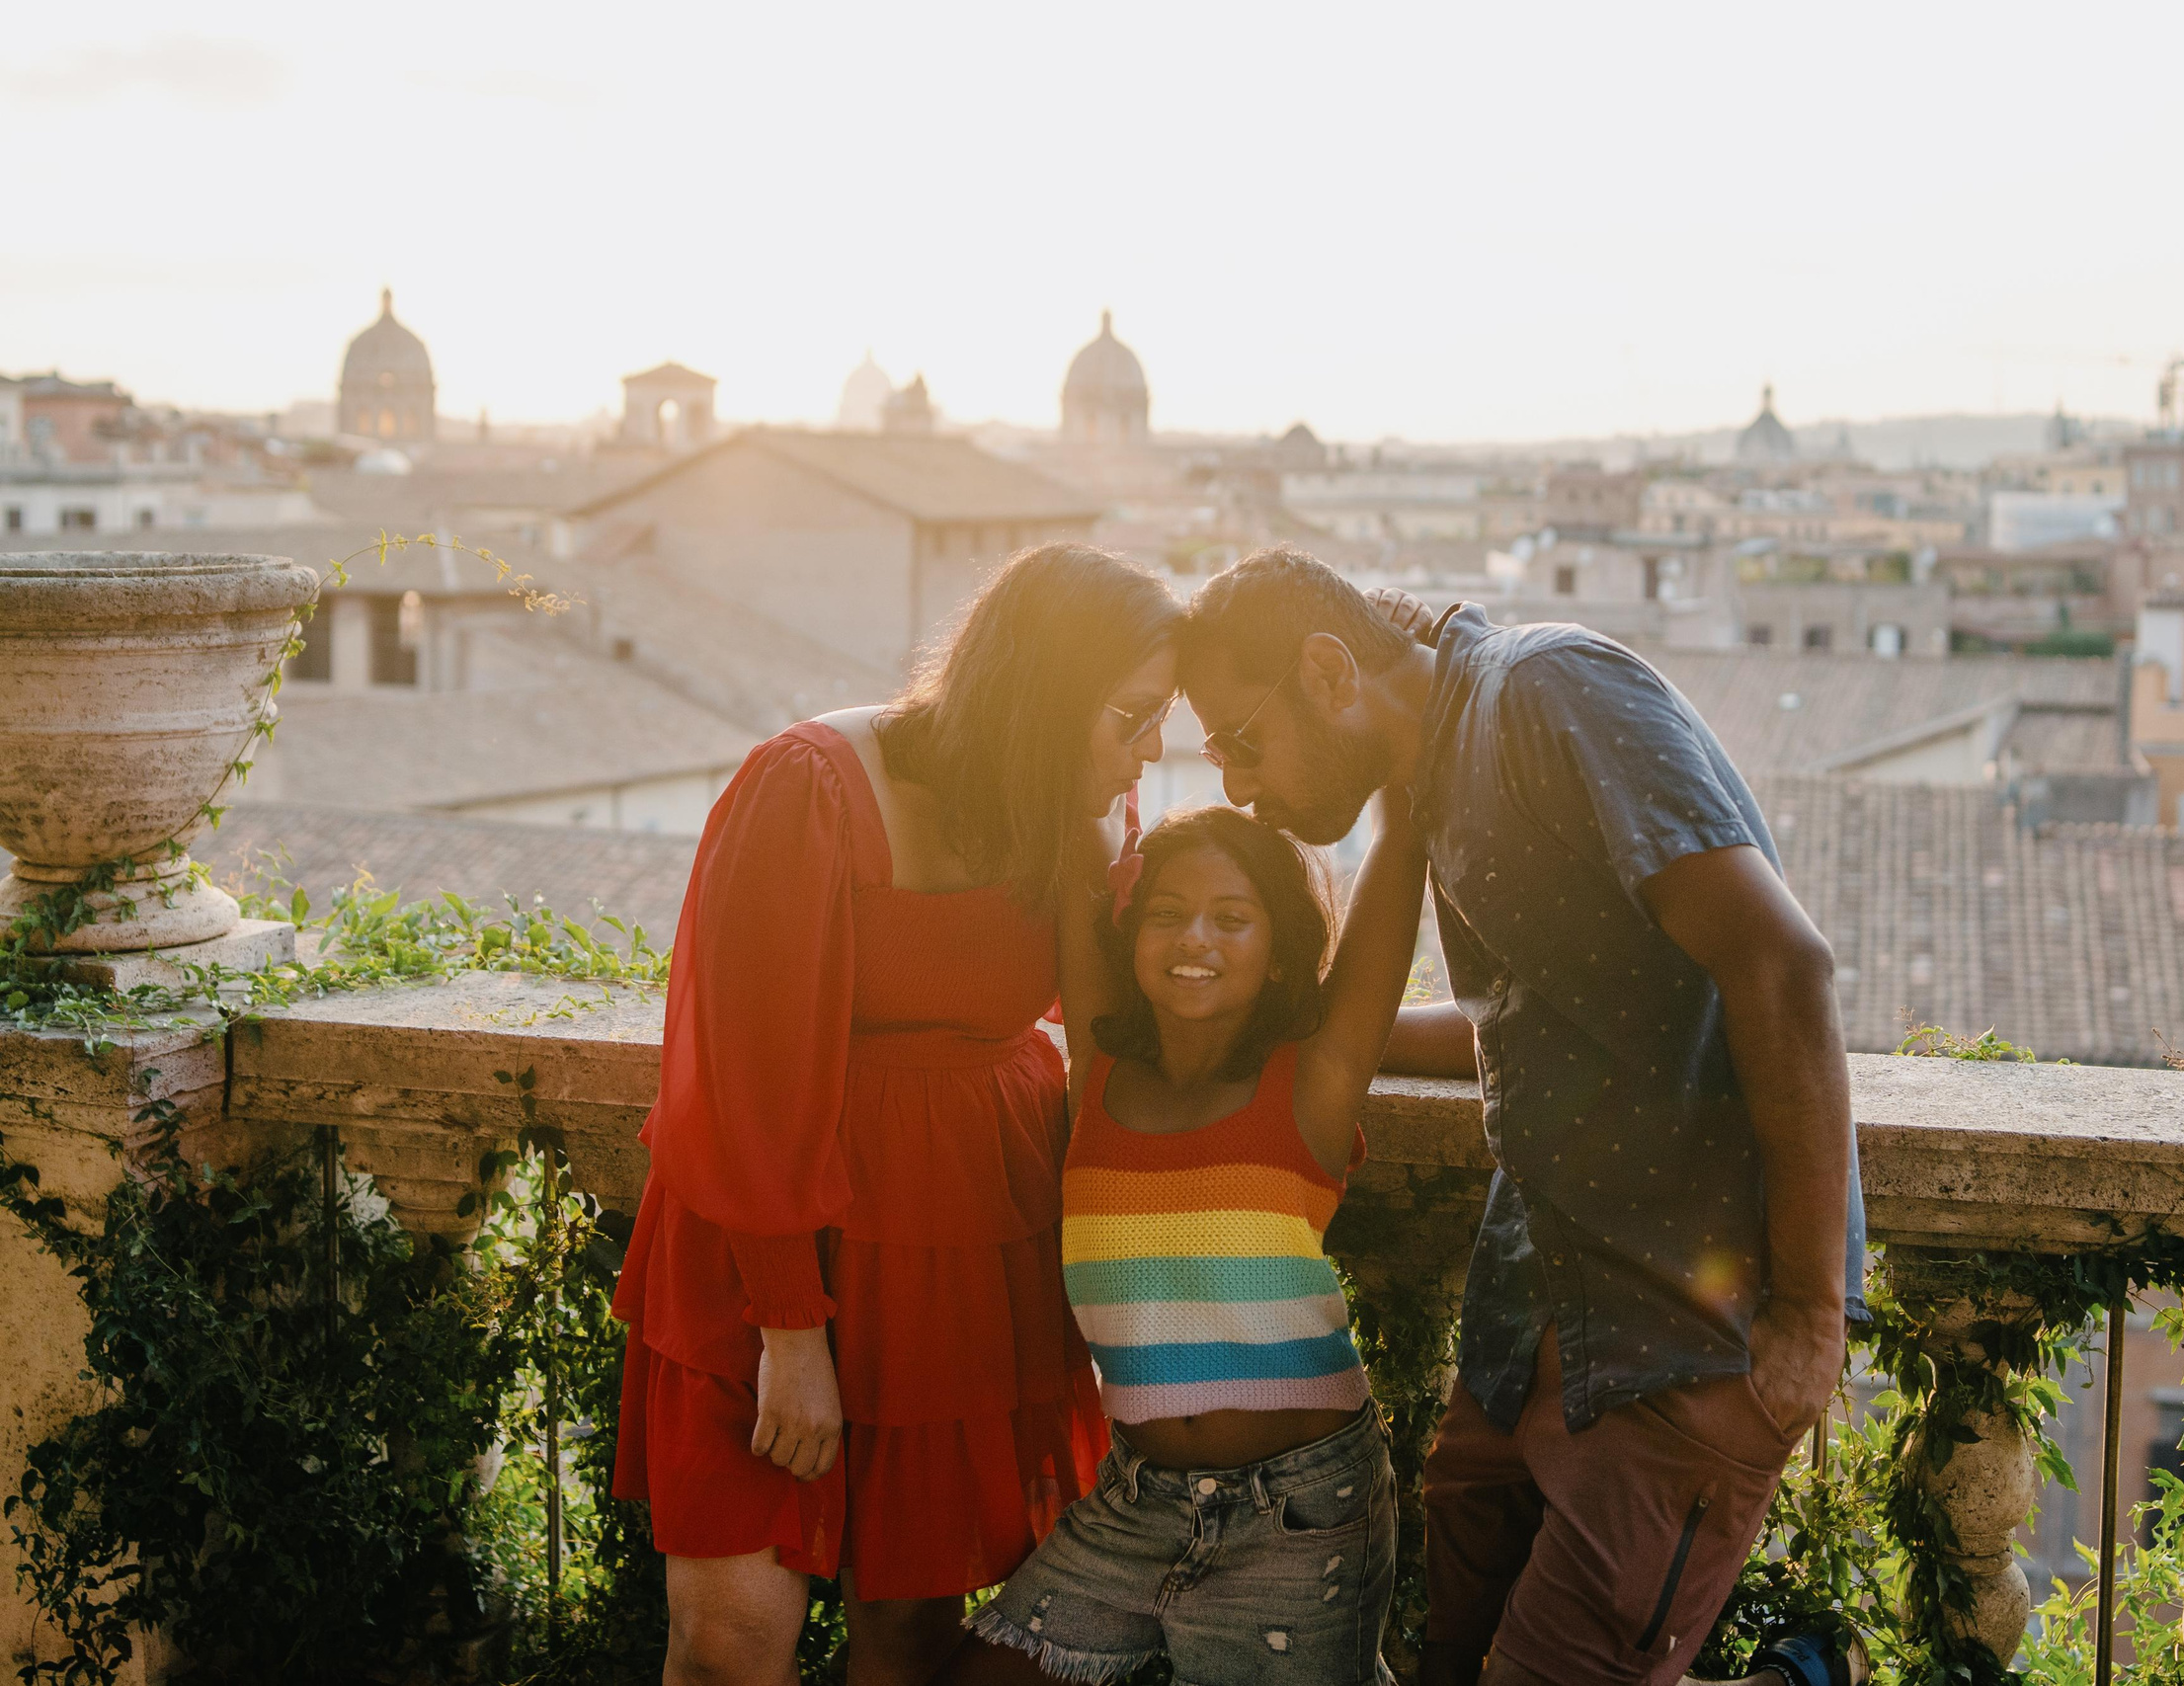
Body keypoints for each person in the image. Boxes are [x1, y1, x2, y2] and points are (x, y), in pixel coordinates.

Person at [1175, 548, 1870, 1686]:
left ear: (1327, 670)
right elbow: (1525, 1015)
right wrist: (1305, 1029)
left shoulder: (1551, 693)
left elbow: (1780, 963)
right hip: (1532, 1309)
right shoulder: (1440, 765)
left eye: (1239, 740)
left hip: (1684, 1330)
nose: (1240, 788)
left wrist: (1807, 1320)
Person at [610, 544, 1181, 1686]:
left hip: (958, 1250)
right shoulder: (811, 785)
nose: (1152, 750)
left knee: (911, 1645)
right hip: (768, 1259)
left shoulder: (1077, 805)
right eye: (1132, 715)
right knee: (728, 1644)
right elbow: (744, 1073)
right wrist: (790, 1332)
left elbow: (1114, 1016)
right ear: (1043, 702)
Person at [965, 791, 1429, 1686]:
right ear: (1130, 933)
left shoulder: (1314, 1082)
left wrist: (1396, 778)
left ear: (1281, 952)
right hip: (1137, 1501)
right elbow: (1077, 831)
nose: (1194, 941)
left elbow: (1399, 855)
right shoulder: (1098, 1068)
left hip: (1300, 1513)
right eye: (1167, 914)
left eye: (1233, 918)